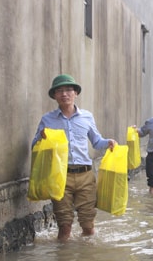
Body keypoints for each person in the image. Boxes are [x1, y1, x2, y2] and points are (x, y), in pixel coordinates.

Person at [31, 74, 117, 241]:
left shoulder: (87, 117)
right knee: (64, 226)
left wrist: (109, 142)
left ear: (75, 93)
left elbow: (97, 141)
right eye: (60, 91)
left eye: (68, 90)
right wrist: (41, 137)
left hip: (86, 176)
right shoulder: (47, 119)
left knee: (88, 224)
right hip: (60, 177)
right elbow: (34, 146)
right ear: (54, 95)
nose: (64, 94)